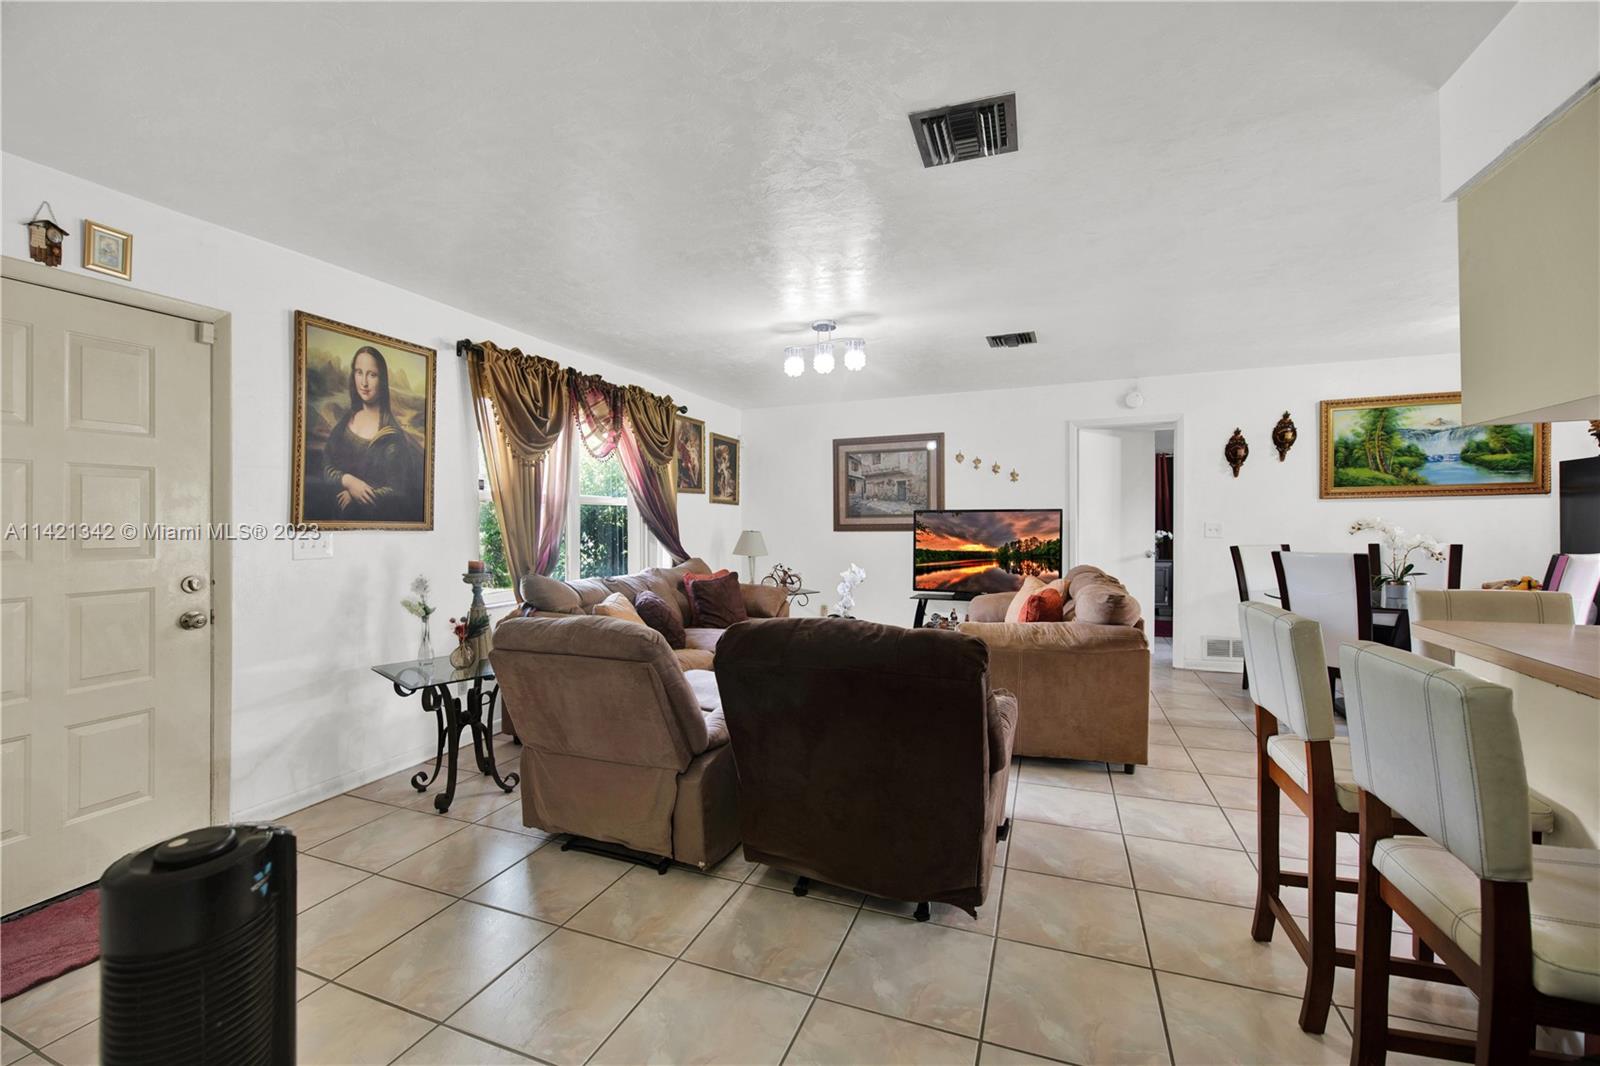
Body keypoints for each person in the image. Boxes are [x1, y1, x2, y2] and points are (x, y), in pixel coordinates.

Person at [316, 346, 424, 522]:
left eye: (372, 375)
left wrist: (359, 495)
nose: (364, 383)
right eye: (359, 372)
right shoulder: (346, 421)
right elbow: (326, 467)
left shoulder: (391, 436)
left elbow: (398, 491)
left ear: (382, 380)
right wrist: (349, 481)